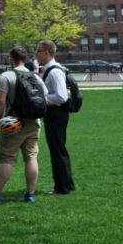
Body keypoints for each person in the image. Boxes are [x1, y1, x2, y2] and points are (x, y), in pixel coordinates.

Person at [0, 45, 47, 204]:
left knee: (7, 159)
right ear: (25, 58)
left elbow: (1, 100)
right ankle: (30, 195)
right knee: (31, 157)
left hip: (13, 124)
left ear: (11, 58)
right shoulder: (35, 77)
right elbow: (45, 100)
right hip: (34, 123)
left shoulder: (7, 76)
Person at [36, 40, 75, 195]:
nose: (36, 53)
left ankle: (62, 187)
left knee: (57, 150)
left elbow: (61, 96)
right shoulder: (50, 69)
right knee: (59, 149)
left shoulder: (54, 71)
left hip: (56, 114)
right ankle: (67, 184)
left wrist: (41, 100)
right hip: (55, 114)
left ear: (46, 52)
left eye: (38, 50)